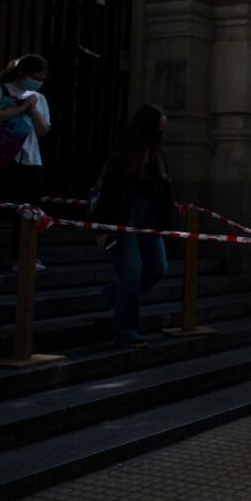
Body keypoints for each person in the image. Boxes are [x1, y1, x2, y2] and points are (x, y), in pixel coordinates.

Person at [90, 104, 173, 347]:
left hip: (148, 219)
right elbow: (109, 194)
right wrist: (102, 229)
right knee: (131, 271)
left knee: (158, 267)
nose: (161, 132)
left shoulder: (158, 155)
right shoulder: (125, 155)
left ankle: (117, 293)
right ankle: (126, 331)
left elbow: (163, 193)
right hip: (123, 219)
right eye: (158, 127)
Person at [0, 55, 51, 265]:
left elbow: (43, 131)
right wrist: (18, 109)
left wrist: (31, 110)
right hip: (4, 154)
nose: (38, 82)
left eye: (41, 78)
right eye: (35, 77)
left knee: (29, 209)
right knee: (5, 200)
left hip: (31, 158)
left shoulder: (38, 98)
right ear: (22, 73)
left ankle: (23, 257)